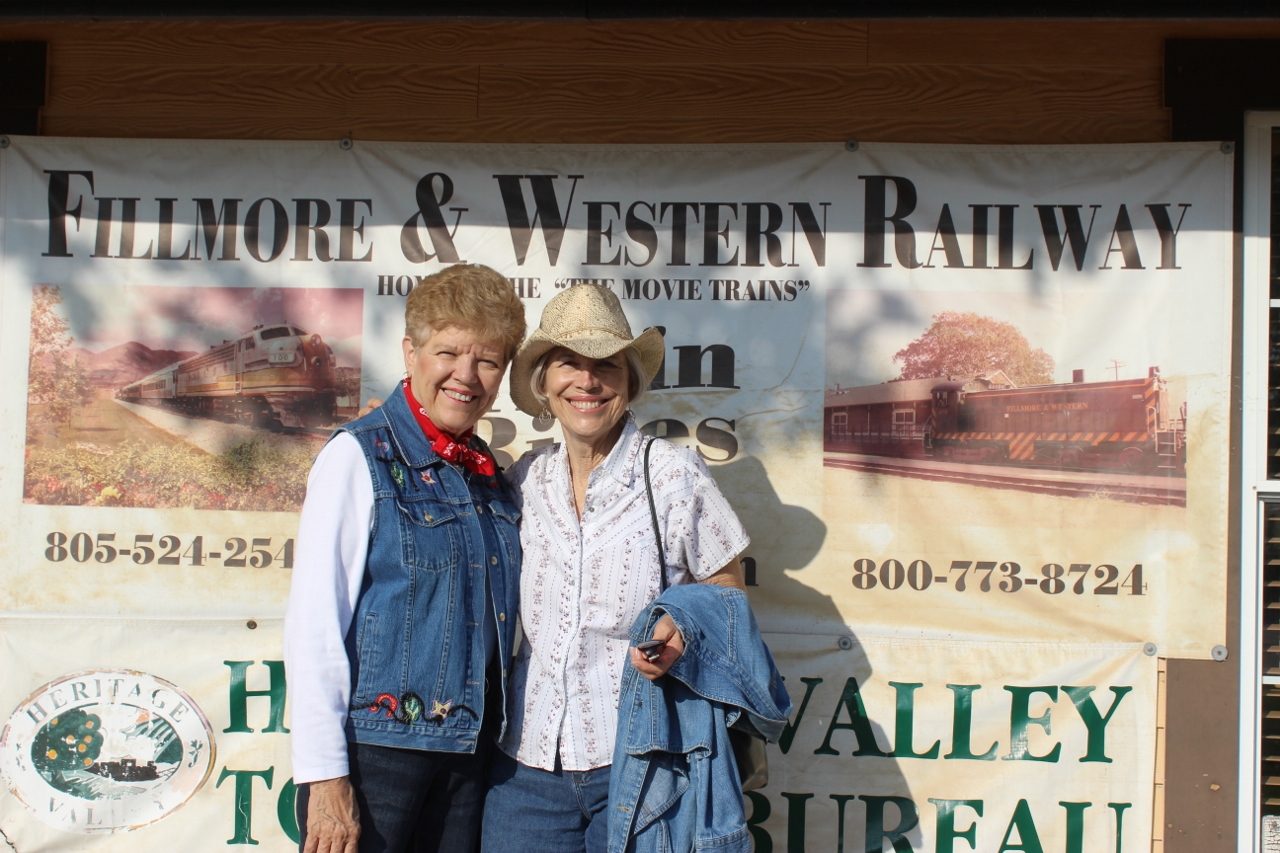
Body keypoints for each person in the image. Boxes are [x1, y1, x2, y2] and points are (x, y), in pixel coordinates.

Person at [480, 284, 752, 853]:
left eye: (605, 365)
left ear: (628, 383)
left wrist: (684, 633)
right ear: (543, 385)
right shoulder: (525, 480)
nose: (587, 381)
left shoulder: (674, 475)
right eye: (568, 365)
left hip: (641, 759)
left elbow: (728, 589)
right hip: (524, 765)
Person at [284, 264, 526, 853]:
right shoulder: (355, 457)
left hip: (469, 758)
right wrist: (325, 777)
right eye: (448, 353)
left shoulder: (488, 477)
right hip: (377, 762)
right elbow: (315, 624)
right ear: (410, 352)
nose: (465, 376)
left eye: (488, 361)